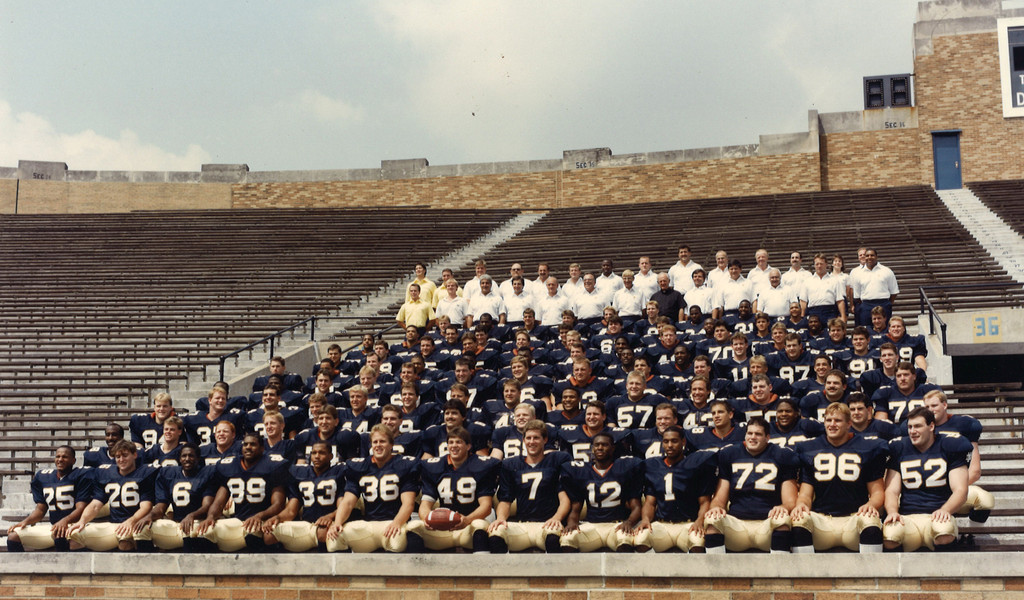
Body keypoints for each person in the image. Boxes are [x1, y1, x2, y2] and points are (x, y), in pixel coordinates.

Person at [791, 403, 887, 553]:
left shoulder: (867, 448)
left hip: (854, 519)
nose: (832, 424)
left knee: (870, 519)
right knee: (799, 519)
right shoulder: (810, 449)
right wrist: (801, 505)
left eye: (838, 420)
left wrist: (871, 504)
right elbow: (805, 494)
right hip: (822, 520)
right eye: (828, 420)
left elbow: (877, 492)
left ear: (849, 424)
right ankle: (804, 569)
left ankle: (872, 568)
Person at [705, 416, 800, 553]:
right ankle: (716, 567)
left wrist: (783, 507)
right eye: (749, 433)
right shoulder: (730, 454)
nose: (752, 437)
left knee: (782, 518)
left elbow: (790, 501)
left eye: (758, 434)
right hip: (737, 524)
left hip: (767, 523)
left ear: (767, 437)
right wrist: (716, 508)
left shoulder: (782, 455)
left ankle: (781, 566)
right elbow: (719, 498)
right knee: (712, 518)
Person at [882, 407, 970, 551]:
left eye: (917, 426)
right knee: (890, 536)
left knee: (943, 531)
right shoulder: (899, 447)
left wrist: (945, 510)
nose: (912, 431)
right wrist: (892, 511)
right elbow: (891, 490)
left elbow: (961, 490)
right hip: (908, 517)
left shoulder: (950, 445)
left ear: (931, 426)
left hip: (937, 514)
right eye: (910, 427)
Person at [327, 424, 422, 553]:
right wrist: (337, 522)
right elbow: (348, 502)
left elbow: (408, 503)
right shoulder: (360, 467)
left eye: (382, 441)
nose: (378, 445)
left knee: (397, 540)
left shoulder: (404, 465)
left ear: (391, 444)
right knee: (334, 537)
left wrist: (397, 523)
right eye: (375, 442)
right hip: (369, 525)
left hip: (394, 522)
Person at [409, 426, 500, 552]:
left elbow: (486, 506)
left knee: (479, 526)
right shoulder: (435, 467)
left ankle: (482, 562)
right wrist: (426, 519)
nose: (454, 446)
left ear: (468, 446)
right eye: (451, 442)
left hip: (475, 518)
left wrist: (467, 520)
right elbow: (425, 504)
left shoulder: (481, 466)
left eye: (458, 442)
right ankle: (416, 564)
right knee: (413, 527)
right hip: (447, 520)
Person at [196, 433, 291, 552]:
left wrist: (259, 516)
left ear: (262, 448)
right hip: (238, 520)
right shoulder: (230, 466)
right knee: (205, 531)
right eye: (245, 444)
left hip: (263, 520)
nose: (248, 447)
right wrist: (210, 517)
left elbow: (278, 504)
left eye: (253, 444)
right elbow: (219, 502)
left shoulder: (272, 466)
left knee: (252, 531)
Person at [487, 420, 571, 553]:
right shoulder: (511, 465)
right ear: (523, 440)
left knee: (553, 536)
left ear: (545, 440)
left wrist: (557, 518)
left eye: (536, 438)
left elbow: (564, 498)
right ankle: (503, 567)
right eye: (529, 438)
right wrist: (501, 518)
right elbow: (505, 500)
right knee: (496, 532)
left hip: (547, 523)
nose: (532, 442)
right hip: (522, 524)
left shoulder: (556, 461)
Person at [634, 427, 717, 553]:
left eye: (674, 441)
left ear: (683, 442)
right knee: (640, 538)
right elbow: (650, 502)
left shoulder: (694, 465)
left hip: (688, 524)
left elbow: (704, 501)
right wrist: (645, 519)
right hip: (662, 525)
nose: (669, 445)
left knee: (698, 540)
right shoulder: (654, 467)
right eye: (666, 441)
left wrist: (699, 521)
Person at [68, 440, 159, 552]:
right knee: (75, 535)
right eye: (118, 456)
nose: (121, 459)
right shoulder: (107, 475)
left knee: (124, 541)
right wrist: (82, 521)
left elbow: (146, 507)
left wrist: (131, 521)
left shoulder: (144, 474)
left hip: (134, 523)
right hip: (114, 524)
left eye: (125, 455)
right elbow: (95, 505)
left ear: (134, 455)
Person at [561, 432, 644, 552]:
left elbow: (636, 506)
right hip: (591, 525)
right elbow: (576, 508)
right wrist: (572, 522)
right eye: (597, 445)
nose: (600, 448)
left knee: (625, 538)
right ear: (592, 448)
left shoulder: (623, 469)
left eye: (605, 445)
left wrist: (629, 522)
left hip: (616, 524)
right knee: (567, 538)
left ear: (613, 448)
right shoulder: (583, 472)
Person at [922, 389, 994, 524]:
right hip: (924, 488)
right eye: (927, 406)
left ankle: (973, 532)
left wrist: (955, 490)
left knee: (984, 500)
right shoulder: (919, 429)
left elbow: (975, 471)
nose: (930, 410)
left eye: (934, 405)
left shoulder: (963, 425)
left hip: (955, 486)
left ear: (944, 405)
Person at [264, 441, 347, 552]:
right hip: (306, 525)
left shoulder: (337, 473)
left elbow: (343, 506)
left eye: (321, 453)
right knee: (269, 533)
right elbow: (291, 510)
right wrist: (277, 517)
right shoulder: (300, 474)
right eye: (314, 453)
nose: (317, 456)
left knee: (323, 532)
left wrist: (330, 516)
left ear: (330, 456)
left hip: (327, 525)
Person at [6, 446, 92, 552]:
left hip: (75, 526)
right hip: (54, 526)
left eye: (65, 457)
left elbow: (81, 508)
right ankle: (20, 563)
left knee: (61, 536)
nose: (60, 459)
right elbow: (40, 510)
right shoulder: (44, 477)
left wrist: (65, 521)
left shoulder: (81, 475)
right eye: (58, 456)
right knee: (13, 537)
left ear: (73, 461)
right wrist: (25, 521)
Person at [149, 443, 218, 552]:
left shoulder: (207, 473)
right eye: (184, 456)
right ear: (179, 459)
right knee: (143, 528)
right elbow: (161, 505)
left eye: (191, 456)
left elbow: (207, 505)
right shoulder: (168, 473)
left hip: (198, 522)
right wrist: (149, 516)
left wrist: (192, 515)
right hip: (176, 523)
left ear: (198, 458)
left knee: (193, 530)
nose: (187, 459)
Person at [871, 361, 940, 423]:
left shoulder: (927, 390)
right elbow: (881, 423)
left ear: (914, 376)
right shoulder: (886, 392)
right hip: (895, 431)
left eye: (906, 375)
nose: (902, 379)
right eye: (899, 376)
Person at [605, 370, 670, 429]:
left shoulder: (656, 400)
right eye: (631, 383)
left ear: (644, 386)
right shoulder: (614, 402)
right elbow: (611, 427)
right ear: (626, 386)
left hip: (648, 436)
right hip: (623, 437)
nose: (634, 386)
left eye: (638, 384)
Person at [852, 248, 899, 328]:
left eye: (872, 255)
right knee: (866, 330)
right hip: (866, 305)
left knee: (885, 329)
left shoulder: (887, 271)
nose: (869, 257)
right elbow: (857, 296)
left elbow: (894, 291)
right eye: (867, 255)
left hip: (883, 304)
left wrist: (888, 303)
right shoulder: (858, 274)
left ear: (876, 257)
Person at [800, 254, 846, 323]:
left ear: (826, 264)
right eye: (817, 264)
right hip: (813, 312)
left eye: (821, 264)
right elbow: (803, 301)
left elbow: (840, 300)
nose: (819, 266)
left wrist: (843, 316)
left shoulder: (835, 280)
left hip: (830, 312)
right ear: (814, 265)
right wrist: (802, 316)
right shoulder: (807, 281)